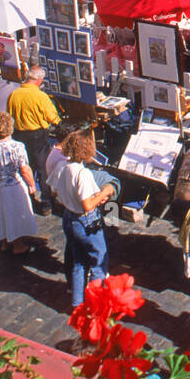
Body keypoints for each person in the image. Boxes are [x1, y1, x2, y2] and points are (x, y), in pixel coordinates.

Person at [49, 129, 116, 307]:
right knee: (98, 261)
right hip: (85, 219)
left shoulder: (61, 166)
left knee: (78, 262)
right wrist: (105, 192)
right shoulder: (82, 173)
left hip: (68, 217)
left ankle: (77, 303)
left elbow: (53, 190)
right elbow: (87, 204)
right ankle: (96, 304)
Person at [0, 110, 41, 256]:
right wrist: (32, 185)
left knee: (1, 213)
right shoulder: (17, 146)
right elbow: (25, 169)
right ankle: (18, 245)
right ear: (10, 127)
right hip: (13, 186)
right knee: (15, 214)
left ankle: (4, 242)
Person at [8, 65, 61, 213]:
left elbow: (10, 115)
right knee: (43, 169)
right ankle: (46, 203)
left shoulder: (14, 94)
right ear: (39, 80)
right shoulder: (40, 96)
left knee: (25, 167)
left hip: (19, 135)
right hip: (37, 136)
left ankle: (27, 199)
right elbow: (53, 118)